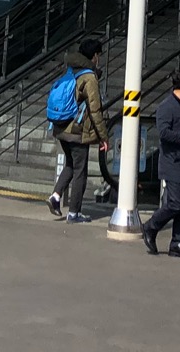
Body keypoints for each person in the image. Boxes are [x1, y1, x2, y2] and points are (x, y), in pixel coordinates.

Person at [45, 37, 110, 224]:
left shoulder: (71, 70)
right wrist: (103, 137)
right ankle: (74, 213)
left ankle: (55, 196)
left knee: (70, 165)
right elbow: (95, 110)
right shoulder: (89, 77)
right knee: (80, 170)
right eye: (99, 55)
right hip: (77, 131)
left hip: (61, 127)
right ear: (94, 56)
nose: (99, 58)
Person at [142, 67, 180, 259]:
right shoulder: (167, 107)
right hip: (173, 164)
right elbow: (164, 133)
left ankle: (178, 243)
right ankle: (151, 226)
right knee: (176, 203)